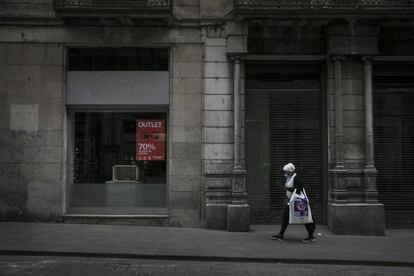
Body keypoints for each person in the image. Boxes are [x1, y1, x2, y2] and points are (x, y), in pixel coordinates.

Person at [271, 163, 316, 242]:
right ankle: (281, 235)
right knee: (286, 217)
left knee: (304, 218)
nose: (285, 173)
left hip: (297, 202)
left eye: (286, 172)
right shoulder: (290, 177)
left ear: (290, 172)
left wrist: (287, 188)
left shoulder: (296, 178)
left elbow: (299, 190)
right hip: (291, 201)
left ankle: (311, 235)